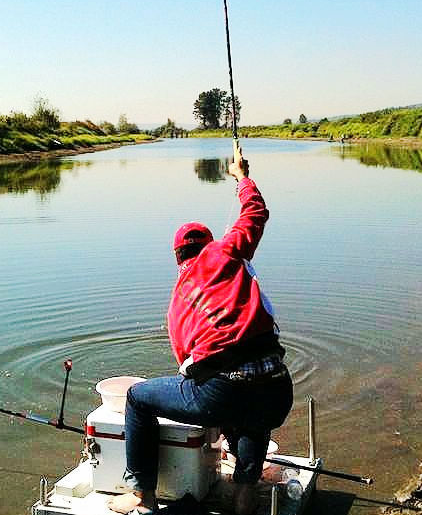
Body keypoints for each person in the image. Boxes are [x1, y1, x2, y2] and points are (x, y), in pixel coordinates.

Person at [107, 147, 293, 515]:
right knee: (250, 408)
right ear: (209, 243)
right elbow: (255, 211)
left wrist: (218, 414)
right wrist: (241, 177)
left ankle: (141, 493)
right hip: (278, 391)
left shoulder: (177, 303)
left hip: (224, 392)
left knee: (138, 399)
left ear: (178, 258)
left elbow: (191, 368)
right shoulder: (227, 252)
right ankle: (244, 494)